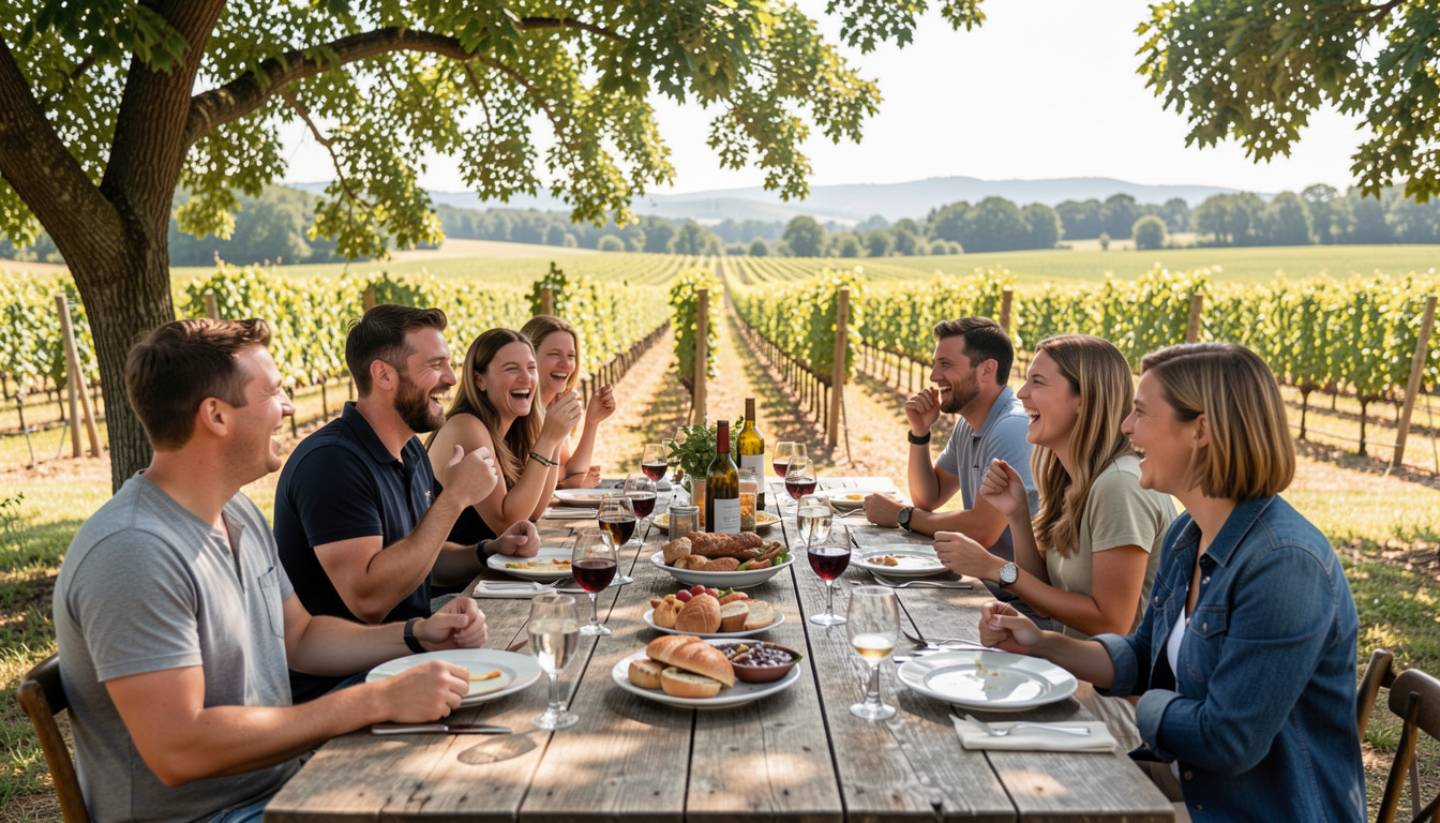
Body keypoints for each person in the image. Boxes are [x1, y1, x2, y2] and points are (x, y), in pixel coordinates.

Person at [54, 318, 490, 823]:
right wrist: (373, 701)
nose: (288, 408)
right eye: (275, 393)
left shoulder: (236, 513)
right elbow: (179, 751)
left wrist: (418, 635)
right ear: (215, 415)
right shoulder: (133, 551)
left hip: (283, 785)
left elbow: (299, 637)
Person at [979, 343, 1364, 821]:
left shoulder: (1285, 566)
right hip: (1187, 782)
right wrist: (1039, 643)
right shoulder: (1191, 533)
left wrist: (1143, 704)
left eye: (1140, 413)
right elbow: (1143, 654)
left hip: (1247, 810)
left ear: (1200, 430)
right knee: (997, 761)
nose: (1125, 427)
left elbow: (1227, 740)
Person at [274, 306, 538, 702]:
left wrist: (488, 550)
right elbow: (370, 600)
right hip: (348, 686)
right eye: (436, 365)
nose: (451, 378)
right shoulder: (332, 463)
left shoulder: (409, 449)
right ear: (383, 375)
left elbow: (420, 557)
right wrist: (455, 499)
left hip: (409, 656)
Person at [932, 335, 1174, 639]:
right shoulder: (1071, 478)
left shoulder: (1119, 485)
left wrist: (995, 568)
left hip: (1107, 685)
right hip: (1070, 666)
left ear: (1083, 398)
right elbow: (1044, 600)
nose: (1021, 392)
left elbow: (1112, 624)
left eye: (1038, 382)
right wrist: (1017, 515)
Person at [862, 317, 1037, 603]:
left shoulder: (1011, 427)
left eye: (945, 364)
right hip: (987, 589)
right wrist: (920, 433)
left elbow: (982, 529)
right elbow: (928, 497)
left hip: (1017, 603)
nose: (933, 376)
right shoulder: (968, 425)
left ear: (986, 370)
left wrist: (901, 516)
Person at [427, 328, 584, 536]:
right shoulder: (466, 427)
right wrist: (547, 439)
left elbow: (534, 512)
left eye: (531, 368)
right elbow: (506, 524)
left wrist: (556, 438)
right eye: (512, 369)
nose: (525, 378)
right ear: (479, 380)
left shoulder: (508, 431)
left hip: (487, 565)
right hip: (457, 567)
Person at [521, 315, 616, 489]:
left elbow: (571, 470)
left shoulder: (554, 405)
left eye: (571, 356)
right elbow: (527, 482)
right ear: (529, 357)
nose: (566, 364)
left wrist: (592, 422)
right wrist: (565, 484)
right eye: (554, 354)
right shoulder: (519, 411)